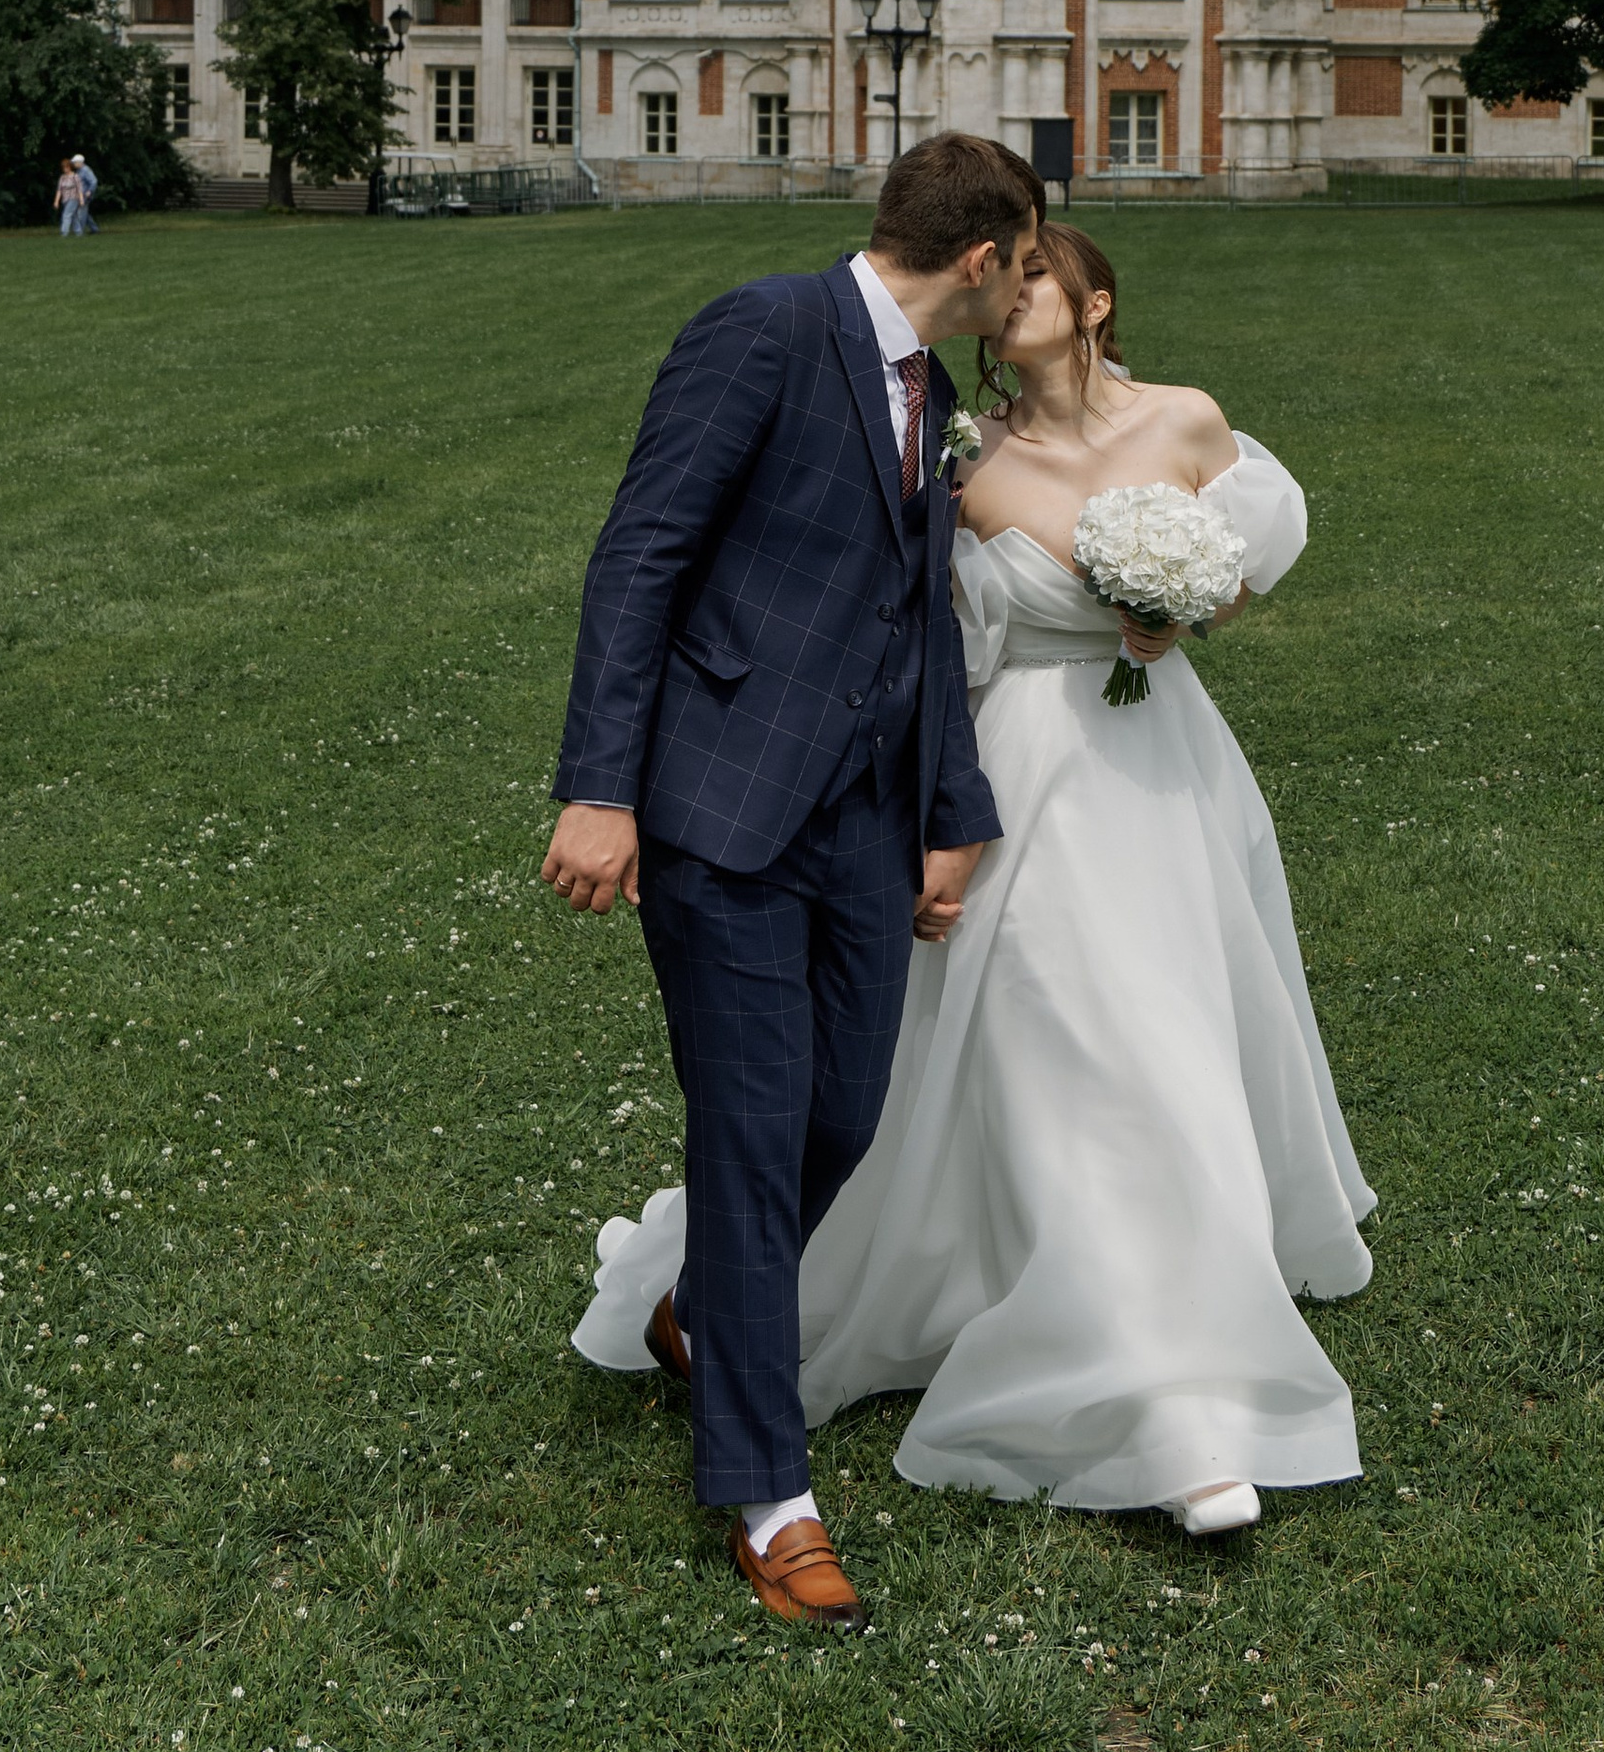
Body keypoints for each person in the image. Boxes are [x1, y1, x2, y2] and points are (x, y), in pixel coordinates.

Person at [576, 220, 1373, 1539]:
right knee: (1073, 1056)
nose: (1009, 302)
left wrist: (1180, 605)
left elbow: (1248, 547)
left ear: (1097, 300)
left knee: (1167, 1050)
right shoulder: (962, 449)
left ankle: (1171, 1342)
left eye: (1039, 281)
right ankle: (1172, 1413)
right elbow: (912, 631)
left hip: (1161, 776)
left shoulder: (1185, 421)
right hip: (1013, 778)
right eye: (1006, 282)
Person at [540, 131, 1041, 1629]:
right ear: (983, 257)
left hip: (865, 827)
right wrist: (598, 787)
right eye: (1025, 259)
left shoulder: (933, 397)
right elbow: (641, 555)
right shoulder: (765, 329)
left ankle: (702, 1308)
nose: (1027, 284)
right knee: (754, 1134)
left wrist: (950, 807)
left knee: (844, 1114)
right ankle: (773, 1494)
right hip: (723, 813)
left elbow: (922, 625)